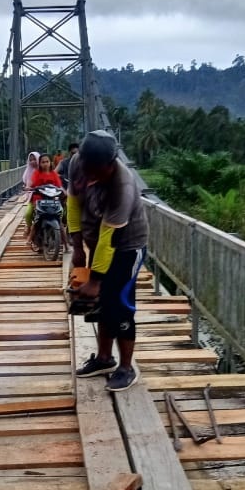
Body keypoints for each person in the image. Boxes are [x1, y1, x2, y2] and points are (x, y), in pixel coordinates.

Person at [68, 130, 148, 392]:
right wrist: (77, 246)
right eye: (87, 168)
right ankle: (104, 359)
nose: (90, 175)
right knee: (102, 304)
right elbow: (73, 203)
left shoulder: (122, 185)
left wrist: (95, 280)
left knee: (120, 304)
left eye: (97, 171)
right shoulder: (77, 165)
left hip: (126, 245)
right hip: (96, 242)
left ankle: (126, 367)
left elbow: (109, 237)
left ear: (111, 164)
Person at [27, 153, 67, 249]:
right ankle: (29, 238)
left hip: (52, 199)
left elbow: (59, 185)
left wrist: (64, 192)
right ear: (39, 163)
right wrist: (28, 187)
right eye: (43, 162)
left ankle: (66, 244)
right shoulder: (37, 173)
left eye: (47, 161)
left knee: (59, 220)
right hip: (39, 199)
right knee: (37, 219)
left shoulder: (54, 174)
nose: (45, 164)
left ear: (50, 162)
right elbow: (31, 182)